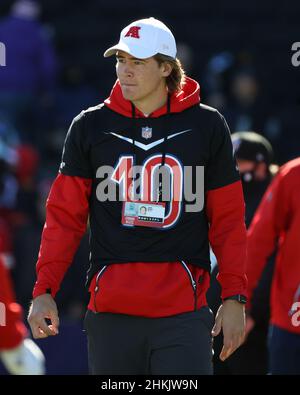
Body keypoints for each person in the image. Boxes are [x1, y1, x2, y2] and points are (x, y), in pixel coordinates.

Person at [27, 17, 248, 375]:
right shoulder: (89, 126)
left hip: (183, 314)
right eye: (120, 61)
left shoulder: (207, 126)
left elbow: (228, 219)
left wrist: (235, 296)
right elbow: (64, 218)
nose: (124, 71)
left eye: (137, 62)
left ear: (165, 68)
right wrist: (43, 289)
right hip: (111, 315)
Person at [207, 131, 278, 374]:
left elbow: (271, 261)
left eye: (238, 161)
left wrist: (252, 311)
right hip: (218, 301)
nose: (231, 166)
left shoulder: (275, 197)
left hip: (257, 312)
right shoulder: (223, 191)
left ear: (259, 166)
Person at [246, 157, 300, 375]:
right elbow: (258, 242)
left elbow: (258, 241)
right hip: (291, 322)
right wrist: (241, 300)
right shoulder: (294, 174)